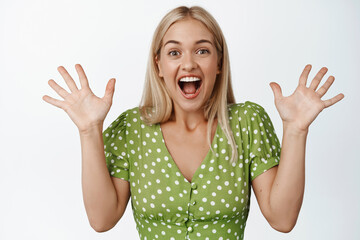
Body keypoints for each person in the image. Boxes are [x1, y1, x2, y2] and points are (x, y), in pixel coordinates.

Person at [42, 5, 344, 240]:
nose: (188, 63)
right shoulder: (132, 129)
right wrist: (88, 130)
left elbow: (282, 218)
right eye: (174, 52)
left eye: (202, 50)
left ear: (218, 63)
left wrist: (296, 129)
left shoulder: (247, 123)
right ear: (159, 64)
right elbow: (102, 219)